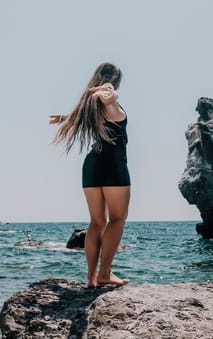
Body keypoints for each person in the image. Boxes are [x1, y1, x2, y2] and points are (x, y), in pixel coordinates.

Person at [49, 62, 130, 288]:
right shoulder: (110, 104)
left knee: (96, 222)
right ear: (116, 82)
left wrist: (64, 118)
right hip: (113, 165)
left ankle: (91, 278)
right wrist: (111, 95)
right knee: (117, 219)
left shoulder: (89, 109)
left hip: (92, 166)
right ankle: (104, 273)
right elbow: (109, 103)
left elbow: (88, 111)